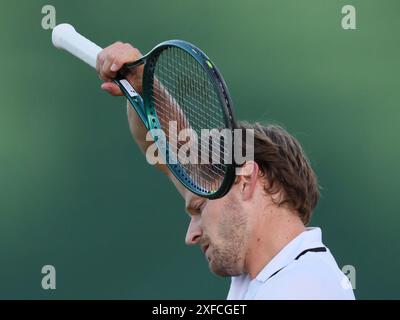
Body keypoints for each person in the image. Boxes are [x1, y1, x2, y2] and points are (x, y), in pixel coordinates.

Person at [96, 42, 355, 300]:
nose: (191, 235)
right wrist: (140, 84)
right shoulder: (273, 271)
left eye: (199, 207)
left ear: (245, 181)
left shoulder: (302, 289)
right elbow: (167, 147)